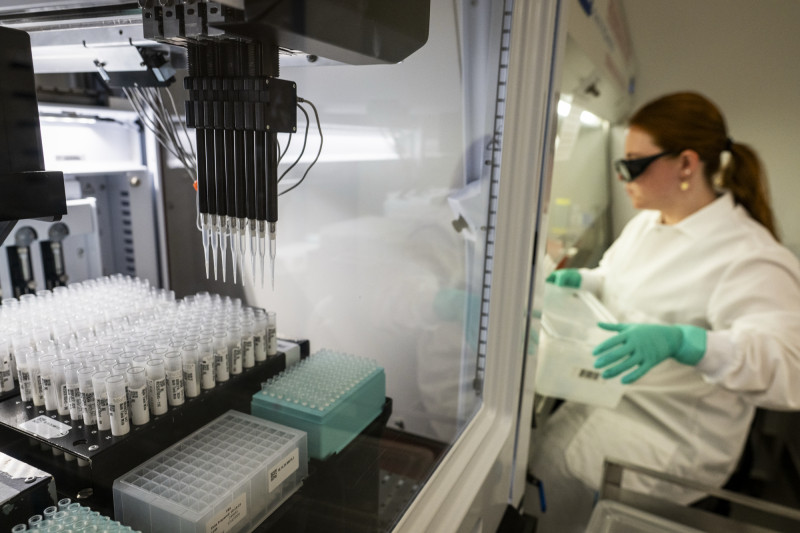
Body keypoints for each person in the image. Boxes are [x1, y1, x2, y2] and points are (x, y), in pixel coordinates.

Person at [529, 91, 800, 532]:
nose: (622, 176)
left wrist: (687, 343)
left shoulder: (749, 256)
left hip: (665, 442)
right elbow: (619, 278)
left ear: (687, 164)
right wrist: (587, 281)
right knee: (545, 486)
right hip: (605, 402)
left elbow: (790, 367)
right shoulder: (649, 222)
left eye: (634, 164)